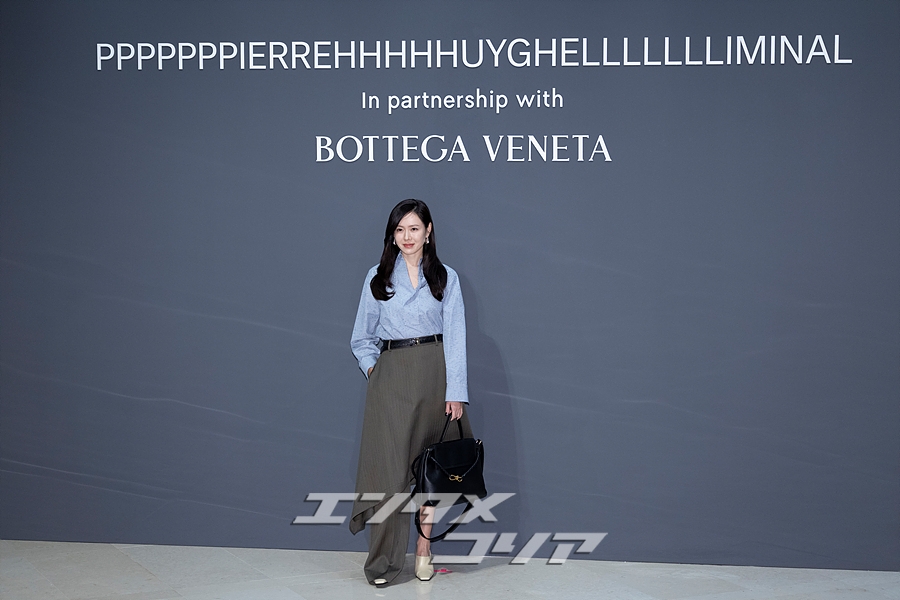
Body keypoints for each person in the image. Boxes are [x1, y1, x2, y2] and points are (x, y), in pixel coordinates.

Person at [349, 198, 473, 586]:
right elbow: (361, 338)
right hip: (392, 382)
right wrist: (376, 371)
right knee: (388, 475)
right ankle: (383, 563)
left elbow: (456, 337)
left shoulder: (446, 278)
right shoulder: (377, 277)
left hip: (436, 379)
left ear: (428, 232)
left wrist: (456, 391)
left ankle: (423, 549)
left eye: (414, 228)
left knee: (430, 471)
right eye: (400, 229)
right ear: (392, 235)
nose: (407, 236)